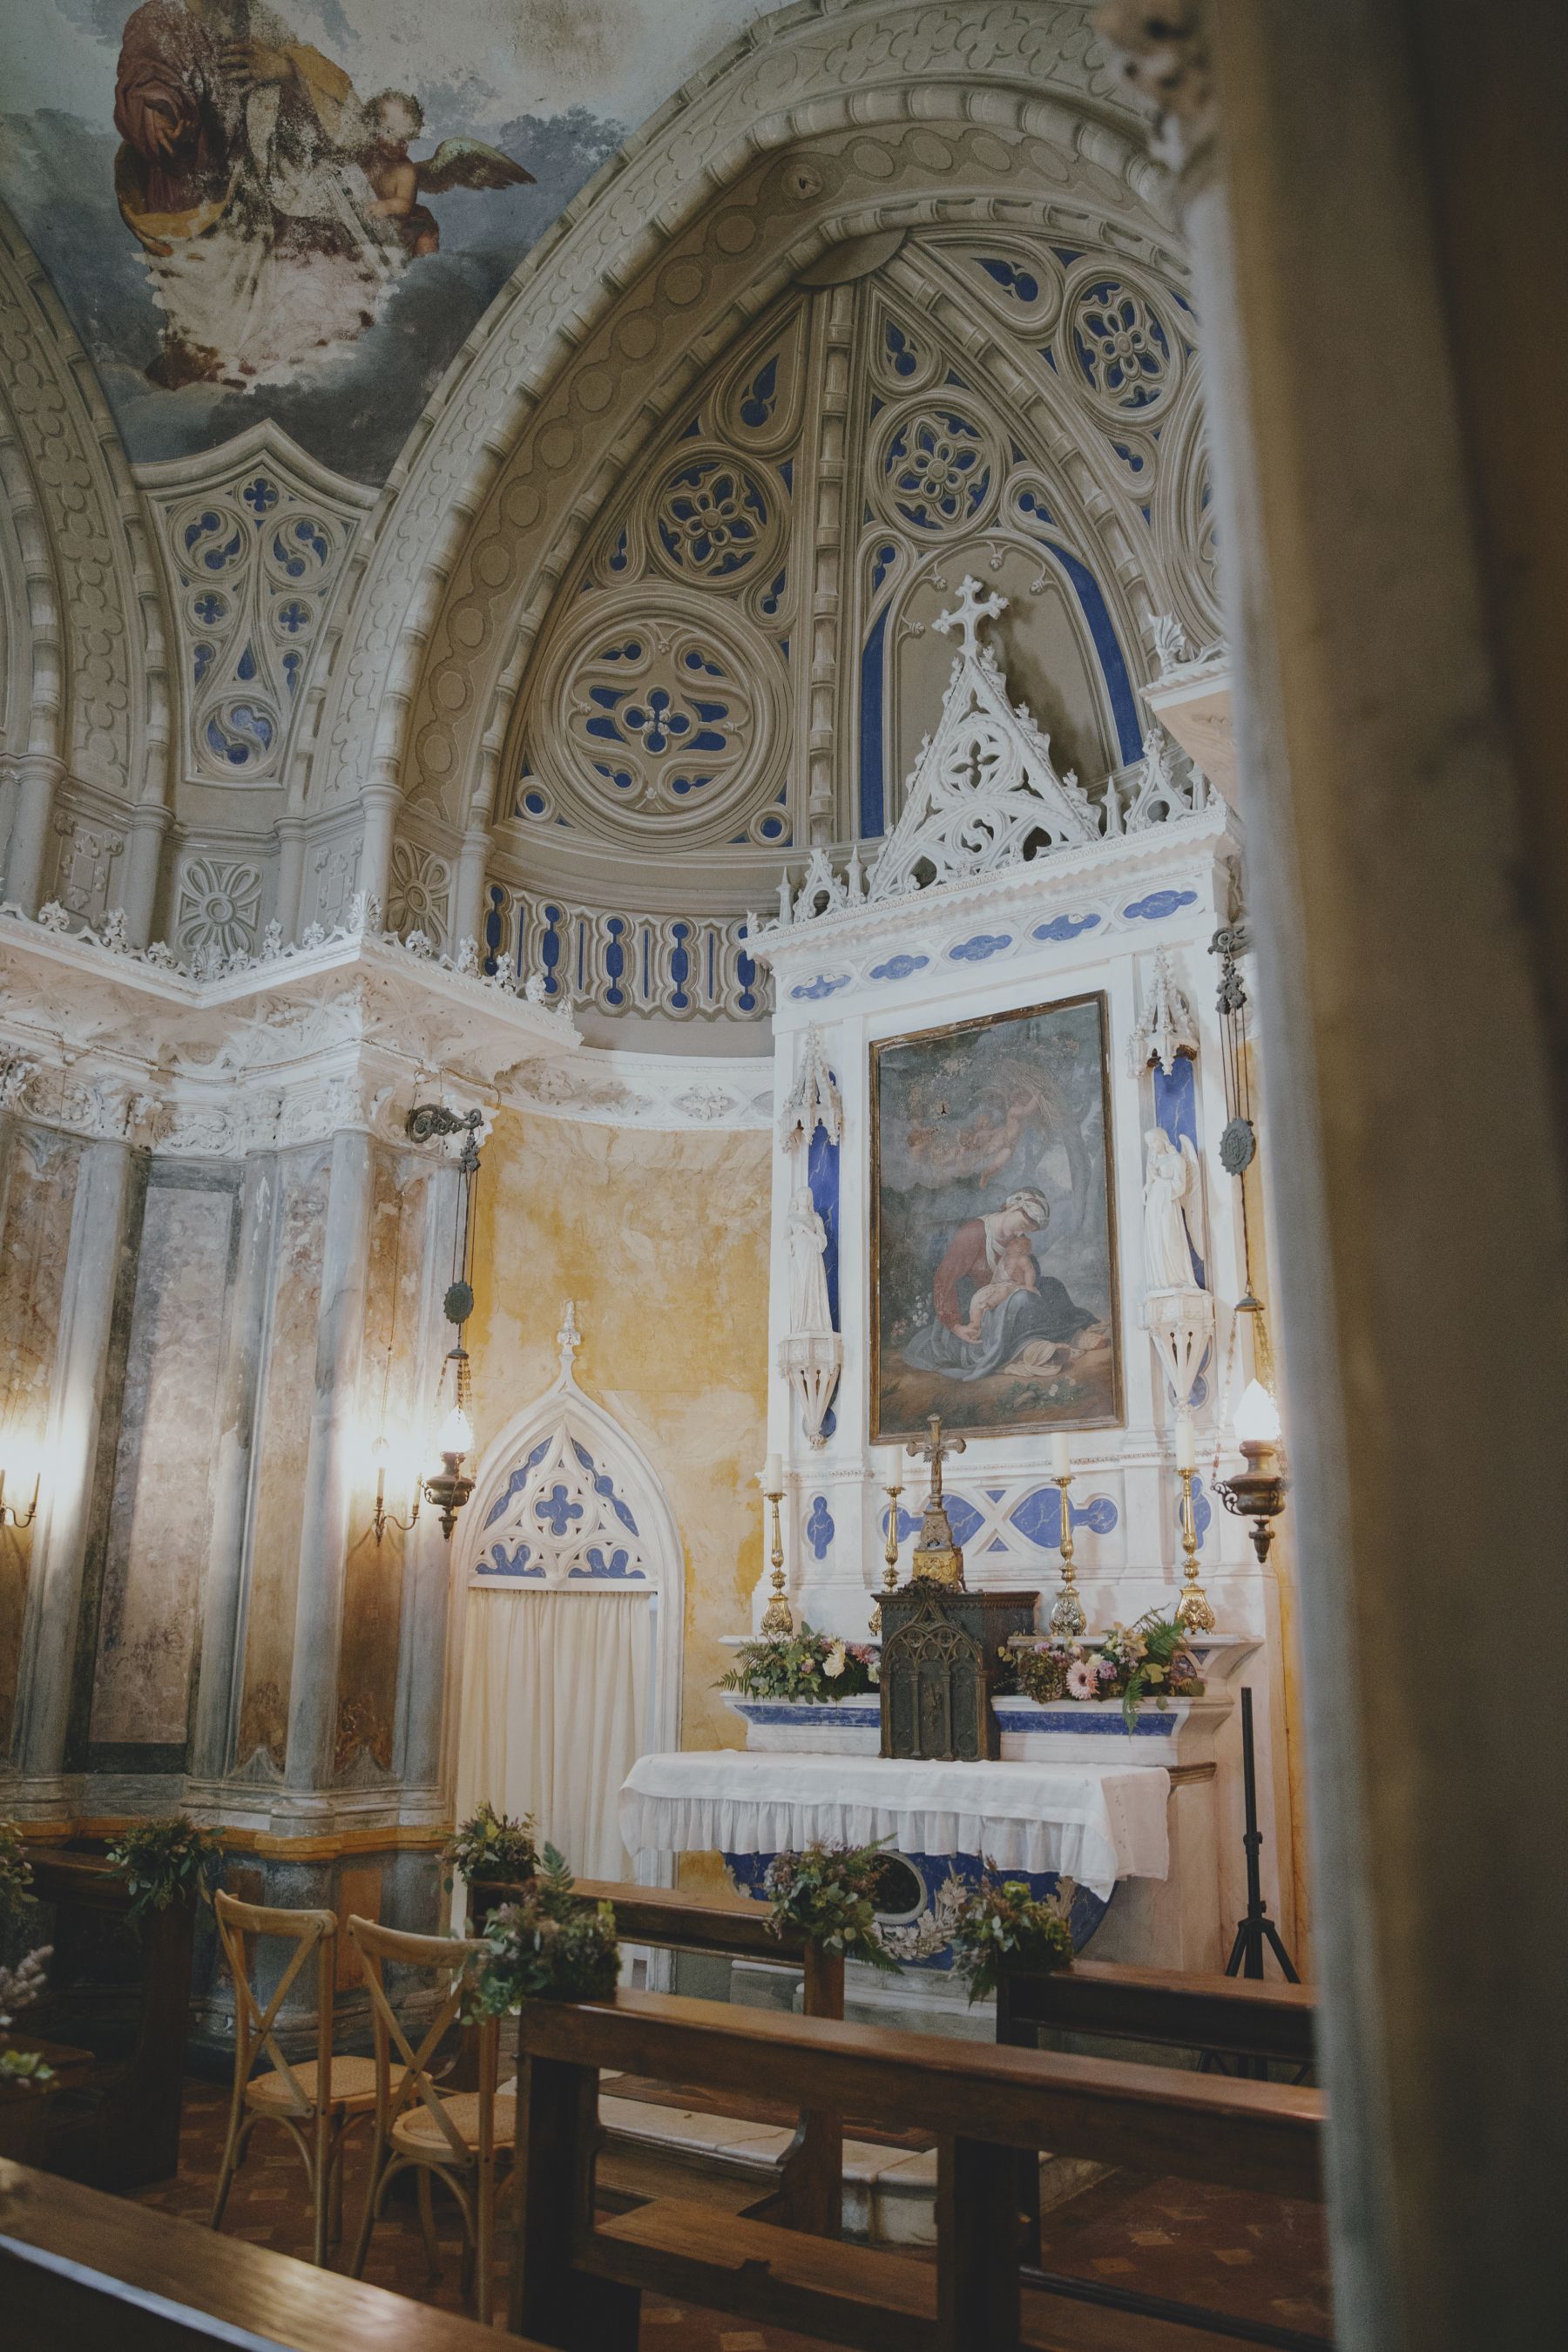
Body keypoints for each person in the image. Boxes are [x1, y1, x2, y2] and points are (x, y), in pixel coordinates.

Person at [361, 91, 442, 258]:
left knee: (423, 240)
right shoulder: (368, 153)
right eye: (389, 133)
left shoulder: (406, 171)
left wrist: (388, 206)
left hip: (403, 225)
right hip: (371, 217)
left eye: (405, 139)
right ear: (373, 127)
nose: (397, 144)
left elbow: (405, 205)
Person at [952, 1229, 1038, 1342]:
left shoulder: (1022, 1259)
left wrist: (1029, 1286)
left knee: (1003, 1291)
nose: (1011, 1243)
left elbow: (1029, 1272)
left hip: (1013, 1286)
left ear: (1021, 1250)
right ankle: (974, 1325)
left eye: (1016, 1242)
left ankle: (991, 1303)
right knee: (978, 1298)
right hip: (998, 1286)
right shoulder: (1004, 1257)